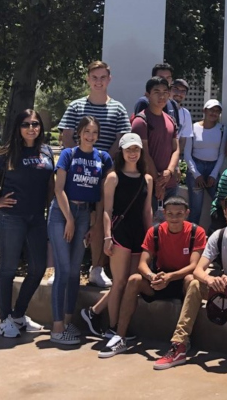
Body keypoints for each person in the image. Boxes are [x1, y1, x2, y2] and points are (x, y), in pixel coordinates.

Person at [153, 192, 227, 381]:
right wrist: (210, 280)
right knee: (194, 284)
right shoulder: (218, 235)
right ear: (224, 214)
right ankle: (179, 345)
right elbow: (198, 270)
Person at [0, 109, 54, 338]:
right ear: (18, 128)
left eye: (35, 124)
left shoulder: (46, 151)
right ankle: (4, 319)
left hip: (37, 218)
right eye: (26, 124)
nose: (31, 128)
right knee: (8, 268)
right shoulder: (6, 153)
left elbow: (50, 185)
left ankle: (18, 314)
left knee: (38, 268)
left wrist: (52, 211)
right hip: (11, 218)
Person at [96, 196, 206, 358]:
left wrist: (170, 277)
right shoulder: (154, 232)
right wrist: (152, 276)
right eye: (170, 214)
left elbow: (193, 266)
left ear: (187, 214)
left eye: (179, 214)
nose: (174, 218)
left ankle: (182, 340)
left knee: (191, 281)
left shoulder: (197, 232)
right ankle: (120, 337)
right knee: (134, 280)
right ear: (164, 213)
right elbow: (142, 264)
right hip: (160, 279)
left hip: (181, 279)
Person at [58, 60, 131, 288]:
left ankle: (96, 269)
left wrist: (100, 164)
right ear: (88, 79)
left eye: (103, 77)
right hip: (75, 174)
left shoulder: (118, 108)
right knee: (65, 217)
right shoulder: (75, 106)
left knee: (100, 220)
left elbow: (120, 140)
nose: (98, 81)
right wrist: (78, 163)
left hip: (103, 174)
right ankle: (59, 267)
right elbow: (67, 137)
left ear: (109, 79)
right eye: (94, 77)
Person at [80, 133, 153, 339]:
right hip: (119, 231)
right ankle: (113, 327)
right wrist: (107, 236)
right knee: (119, 282)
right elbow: (107, 210)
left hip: (139, 232)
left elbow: (147, 211)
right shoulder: (113, 177)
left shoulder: (147, 179)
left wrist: (151, 239)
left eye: (136, 149)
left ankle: (94, 312)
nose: (133, 153)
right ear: (121, 151)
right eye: (129, 149)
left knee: (131, 282)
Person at [48, 116, 113, 344]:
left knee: (75, 272)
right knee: (63, 271)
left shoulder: (102, 158)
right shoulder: (68, 154)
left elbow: (103, 195)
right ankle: (56, 329)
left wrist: (95, 225)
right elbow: (58, 189)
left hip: (85, 214)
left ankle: (67, 323)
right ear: (79, 132)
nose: (90, 136)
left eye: (94, 132)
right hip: (62, 214)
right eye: (87, 131)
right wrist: (69, 220)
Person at [131, 77, 182, 209]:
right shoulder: (141, 121)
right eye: (157, 92)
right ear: (147, 95)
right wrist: (158, 183)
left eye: (165, 92)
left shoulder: (171, 120)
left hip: (170, 185)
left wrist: (170, 171)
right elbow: (143, 153)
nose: (162, 96)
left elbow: (176, 149)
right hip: (148, 185)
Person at [185, 99, 226, 225]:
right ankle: (193, 237)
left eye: (217, 111)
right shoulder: (193, 127)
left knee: (220, 203)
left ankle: (217, 232)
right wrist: (196, 174)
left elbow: (221, 153)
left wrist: (214, 174)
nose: (214, 113)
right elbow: (187, 153)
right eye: (211, 110)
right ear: (204, 110)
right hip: (196, 166)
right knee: (195, 207)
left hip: (213, 167)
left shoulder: (222, 129)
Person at [169, 78, 195, 147]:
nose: (179, 93)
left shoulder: (186, 114)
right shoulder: (160, 108)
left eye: (183, 91)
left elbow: (182, 141)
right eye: (176, 89)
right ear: (169, 90)